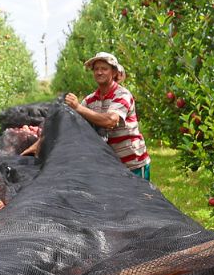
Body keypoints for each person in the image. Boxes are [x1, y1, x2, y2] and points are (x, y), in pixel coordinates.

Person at [63, 52, 151, 181]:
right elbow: (72, 125)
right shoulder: (90, 100)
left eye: (104, 69)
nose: (99, 72)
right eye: (96, 69)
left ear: (114, 73)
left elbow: (110, 121)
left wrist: (77, 107)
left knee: (139, 200)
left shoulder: (123, 95)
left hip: (133, 163)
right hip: (110, 164)